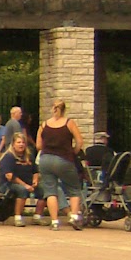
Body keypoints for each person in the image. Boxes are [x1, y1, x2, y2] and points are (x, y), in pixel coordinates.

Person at [35, 98, 86, 230]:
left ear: (53, 108)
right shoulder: (69, 123)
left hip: (45, 160)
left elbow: (38, 145)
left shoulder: (44, 125)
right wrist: (73, 152)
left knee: (50, 191)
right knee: (74, 189)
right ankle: (74, 217)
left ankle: (54, 222)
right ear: (64, 109)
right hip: (64, 159)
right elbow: (80, 142)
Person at [0, 131, 43, 226]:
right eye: (18, 142)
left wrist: (35, 180)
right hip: (9, 184)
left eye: (23, 142)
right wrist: (25, 185)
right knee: (22, 190)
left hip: (28, 183)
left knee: (45, 190)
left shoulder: (29, 156)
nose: (21, 144)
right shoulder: (8, 157)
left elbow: (35, 171)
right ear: (13, 144)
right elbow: (9, 176)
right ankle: (18, 218)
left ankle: (37, 217)